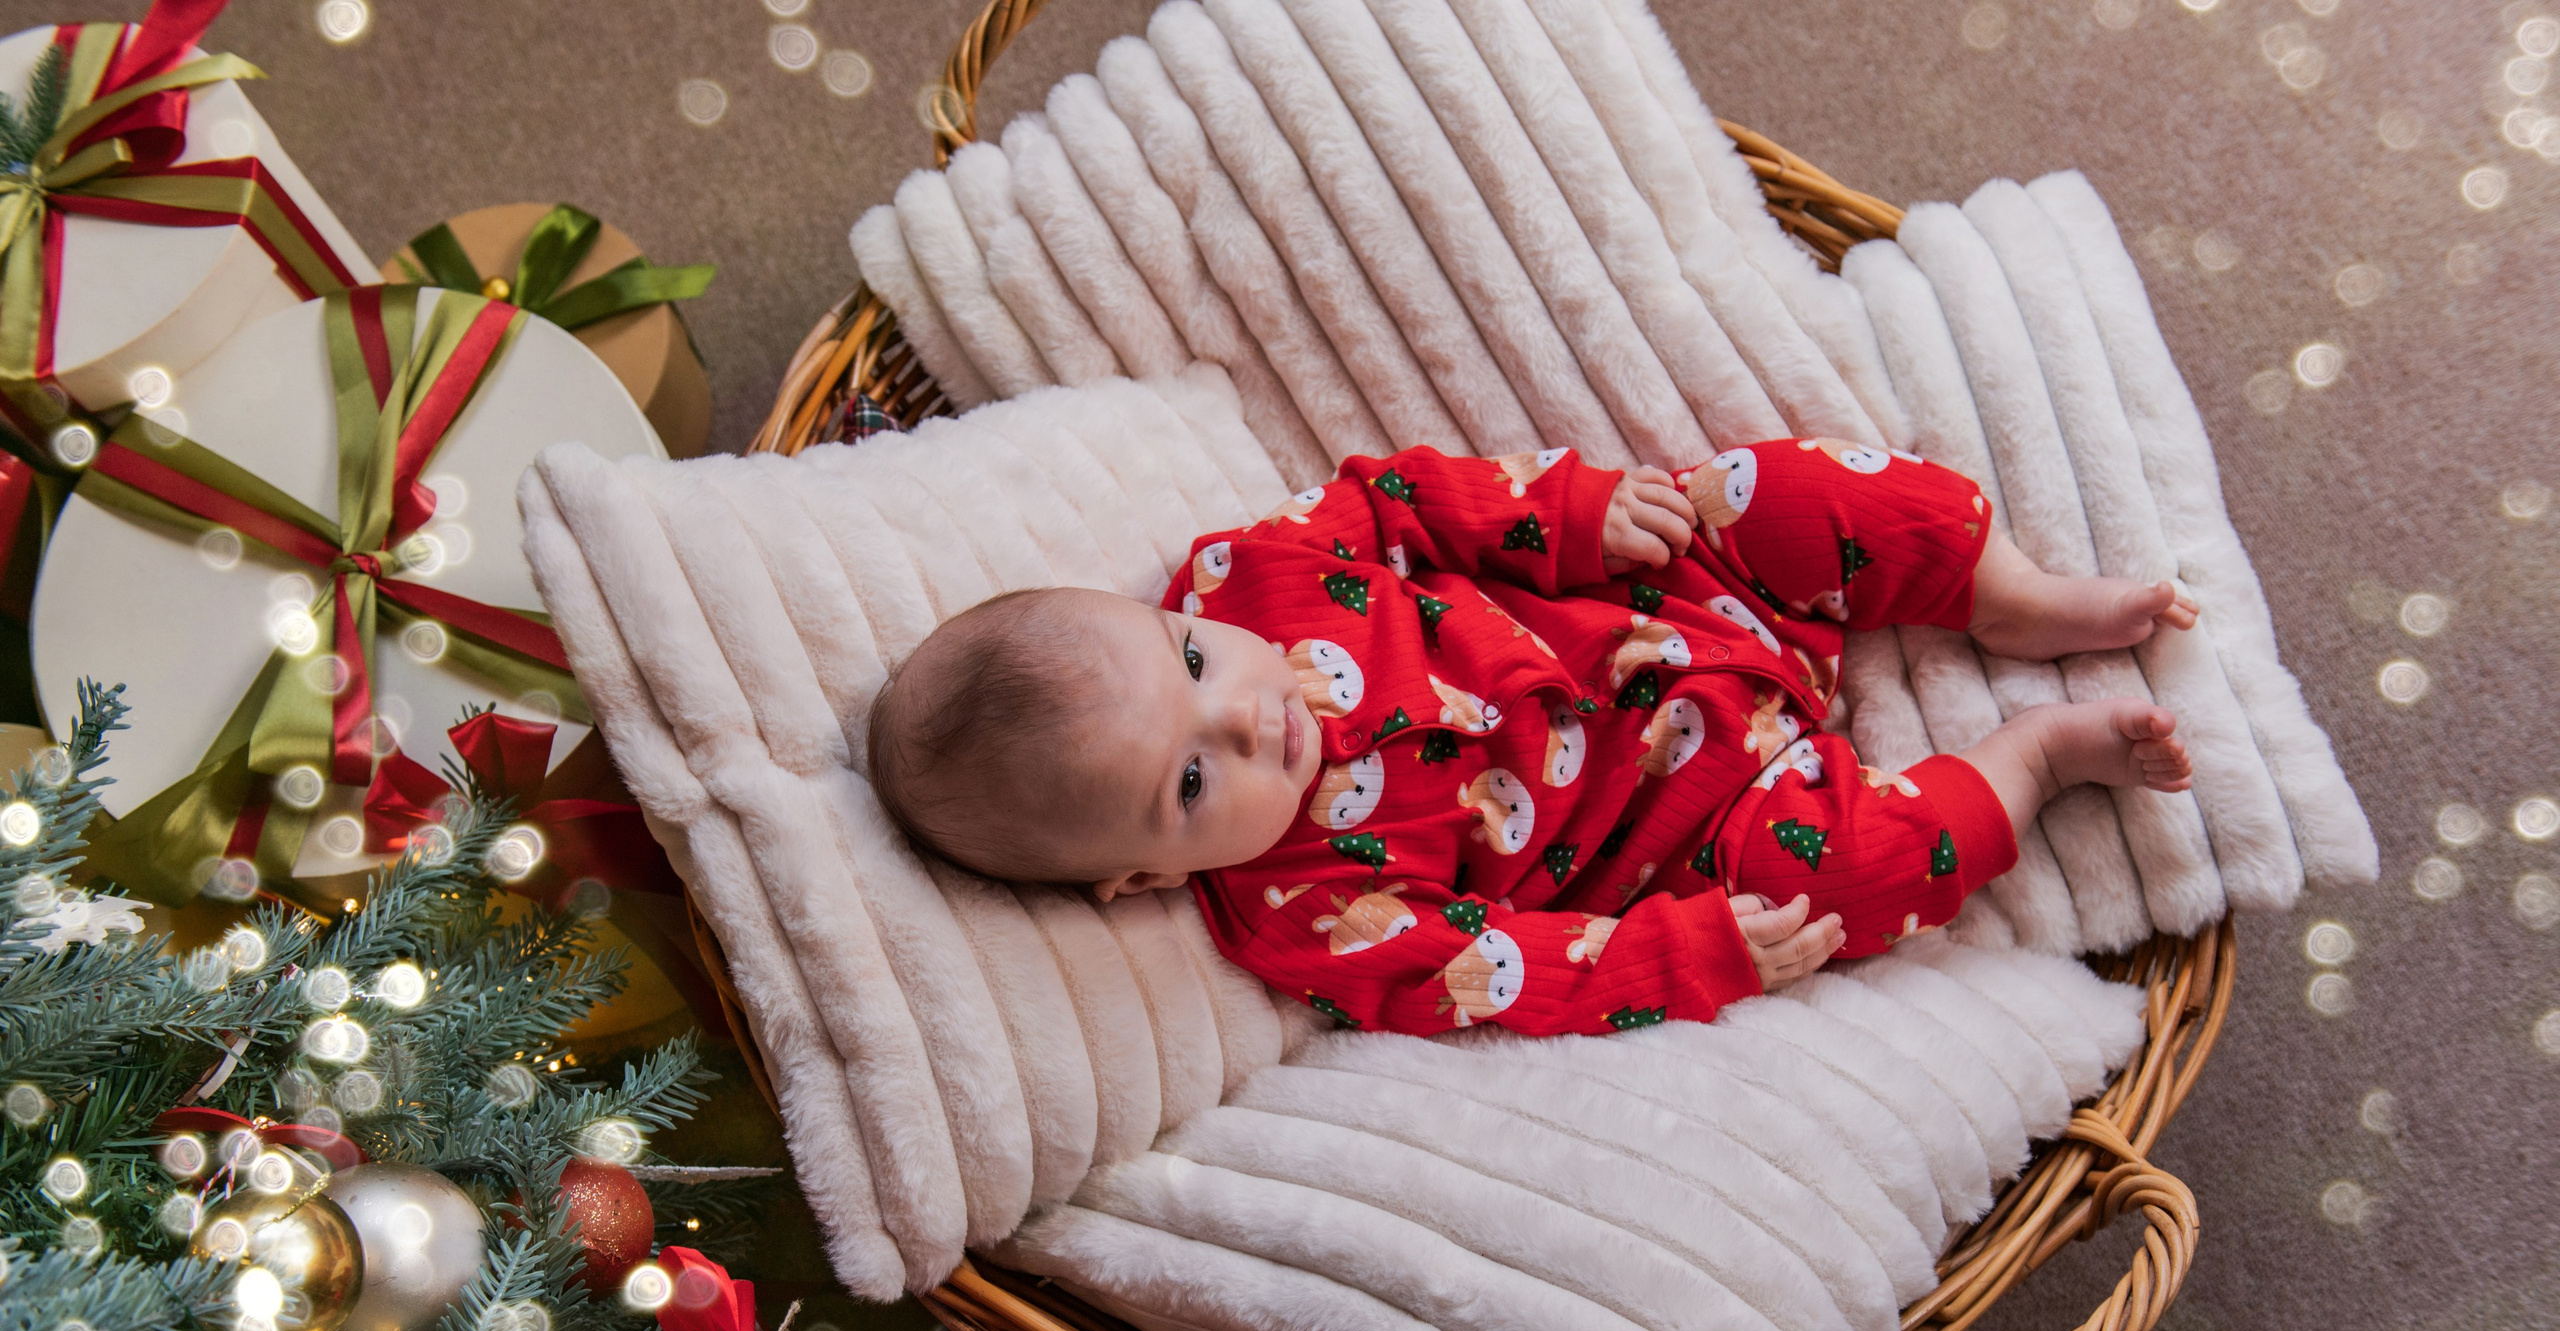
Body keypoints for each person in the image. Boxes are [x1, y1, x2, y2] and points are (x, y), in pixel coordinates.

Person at [866, 438, 2193, 1037]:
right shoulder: (1304, 916)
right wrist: (1694, 950)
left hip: (1679, 598)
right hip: (1717, 810)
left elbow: (1396, 501)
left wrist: (1568, 518)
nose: (1250, 714)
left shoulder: (1246, 577)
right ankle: (2039, 760)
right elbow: (1507, 969)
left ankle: (2016, 599)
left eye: (1194, 666)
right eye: (1194, 778)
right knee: (1831, 890)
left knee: (1763, 491)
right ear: (1149, 877)